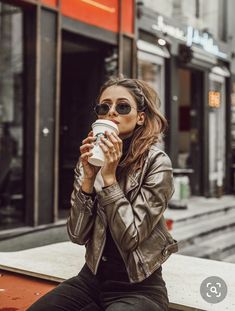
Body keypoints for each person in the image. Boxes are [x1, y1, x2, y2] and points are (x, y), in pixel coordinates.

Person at [27, 77, 178, 311]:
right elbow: (77, 235)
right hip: (90, 280)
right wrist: (88, 179)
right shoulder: (89, 161)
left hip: (139, 288)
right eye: (104, 107)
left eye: (123, 106)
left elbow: (131, 238)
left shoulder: (157, 163)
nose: (111, 113)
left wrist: (109, 178)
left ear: (140, 117)